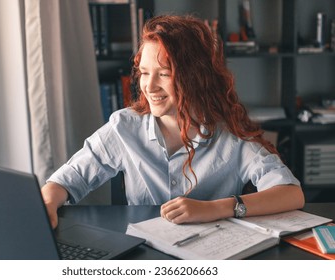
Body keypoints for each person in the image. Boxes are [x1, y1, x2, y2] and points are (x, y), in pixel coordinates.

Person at [41, 15, 304, 229]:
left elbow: (291, 193)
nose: (149, 86)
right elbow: (67, 179)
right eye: (144, 73)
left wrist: (215, 208)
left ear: (194, 77)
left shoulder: (230, 135)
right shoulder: (123, 126)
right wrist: (48, 203)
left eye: (164, 74)